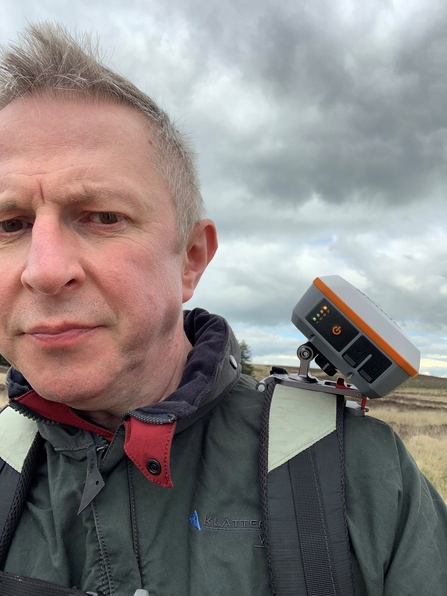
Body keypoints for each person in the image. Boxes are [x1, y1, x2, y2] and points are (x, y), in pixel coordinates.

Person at [0, 22, 446, 596]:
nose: (42, 268)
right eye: (9, 224)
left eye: (102, 216)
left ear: (190, 259)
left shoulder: (362, 478)